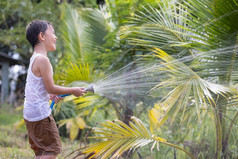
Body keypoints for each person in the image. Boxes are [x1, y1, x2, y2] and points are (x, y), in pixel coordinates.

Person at [24, 20, 86, 159]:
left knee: (41, 152)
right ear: (42, 36)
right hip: (40, 114)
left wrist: (49, 95)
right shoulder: (43, 60)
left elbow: (38, 87)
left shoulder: (35, 58)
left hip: (30, 112)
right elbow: (51, 87)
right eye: (52, 32)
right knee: (52, 151)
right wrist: (73, 90)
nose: (55, 37)